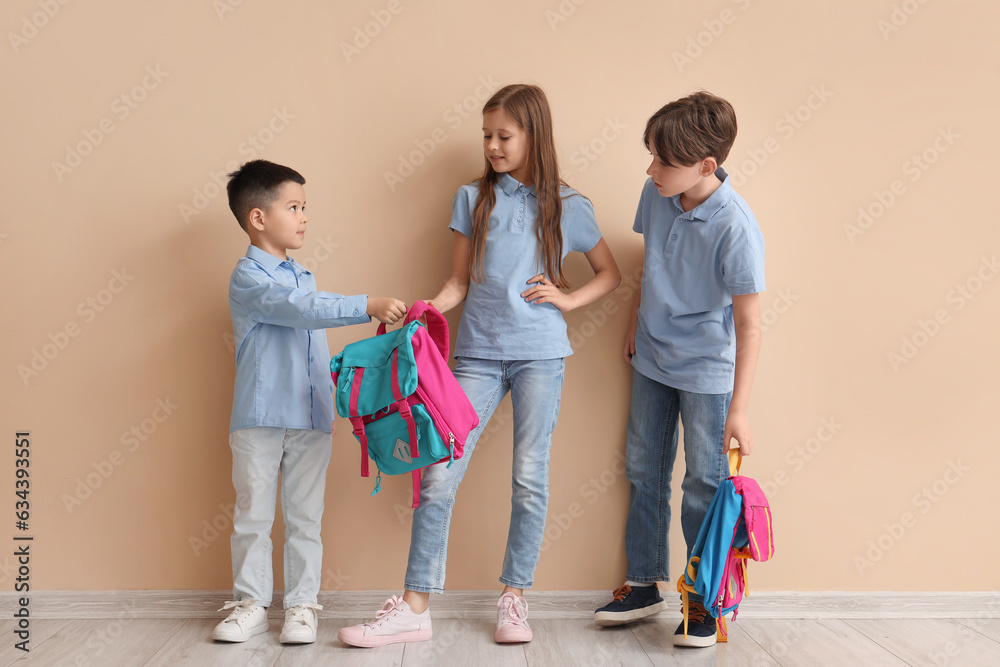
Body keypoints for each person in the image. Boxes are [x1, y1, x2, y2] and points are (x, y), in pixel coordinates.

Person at [338, 84, 621, 647]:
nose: (491, 145)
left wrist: (567, 300)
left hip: (541, 355)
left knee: (529, 477)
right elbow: (458, 283)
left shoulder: (569, 205)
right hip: (476, 356)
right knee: (438, 473)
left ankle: (514, 599)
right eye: (486, 135)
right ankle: (415, 605)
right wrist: (423, 310)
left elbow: (609, 273)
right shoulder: (472, 199)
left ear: (532, 135)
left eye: (503, 136)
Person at [593, 92, 765, 648]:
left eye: (663, 160)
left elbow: (750, 324)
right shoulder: (659, 192)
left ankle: (702, 600)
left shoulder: (736, 227)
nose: (651, 169)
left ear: (706, 166)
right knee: (645, 468)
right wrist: (632, 325)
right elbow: (653, 263)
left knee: (703, 485)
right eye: (652, 156)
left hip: (707, 371)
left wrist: (738, 408)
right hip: (651, 354)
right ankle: (644, 583)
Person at [213, 160, 406, 645]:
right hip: (258, 417)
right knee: (252, 514)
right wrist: (366, 304)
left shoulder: (304, 274)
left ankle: (301, 606)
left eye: (305, 208)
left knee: (305, 516)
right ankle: (250, 604)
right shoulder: (249, 278)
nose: (303, 217)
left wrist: (335, 394)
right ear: (258, 218)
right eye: (294, 207)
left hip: (310, 416)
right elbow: (299, 312)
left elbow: (310, 338)